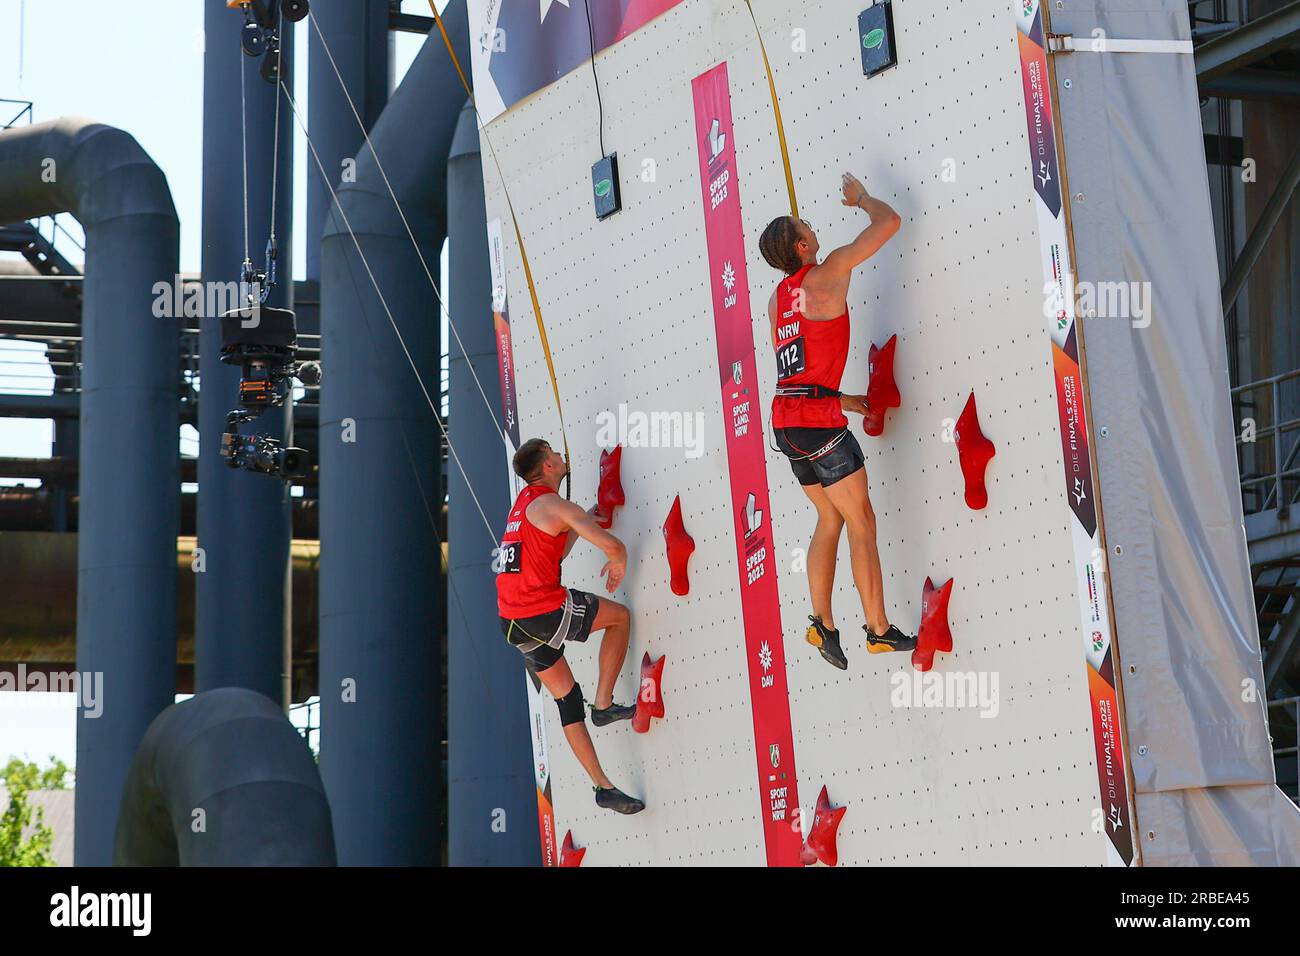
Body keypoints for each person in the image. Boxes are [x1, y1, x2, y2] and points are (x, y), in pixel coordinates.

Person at [758, 172, 915, 670]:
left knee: (829, 517)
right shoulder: (827, 273)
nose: (812, 224)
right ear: (803, 245)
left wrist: (842, 399)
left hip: (788, 423)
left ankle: (822, 624)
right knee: (860, 522)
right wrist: (861, 199)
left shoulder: (777, 301)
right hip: (816, 426)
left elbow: (799, 367)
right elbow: (889, 223)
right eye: (805, 224)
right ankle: (879, 630)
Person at [495, 438, 645, 814]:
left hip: (512, 622)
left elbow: (552, 552)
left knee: (566, 698)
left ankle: (602, 786)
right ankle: (605, 704)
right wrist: (619, 557)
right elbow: (612, 547)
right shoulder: (553, 504)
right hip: (541, 611)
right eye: (556, 454)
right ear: (547, 467)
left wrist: (580, 520)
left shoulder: (525, 506)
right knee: (620, 618)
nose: (563, 457)